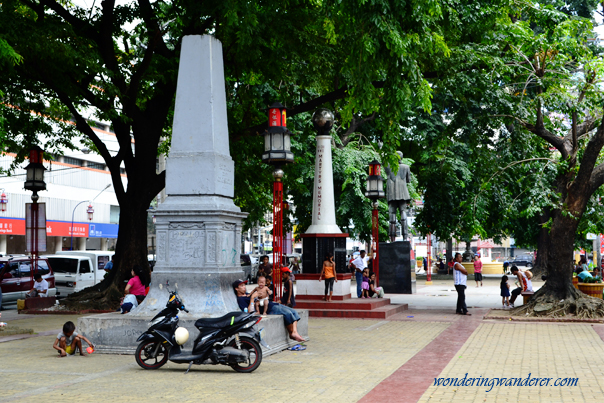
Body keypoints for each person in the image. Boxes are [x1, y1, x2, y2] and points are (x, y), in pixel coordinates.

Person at [233, 279, 304, 342]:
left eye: (244, 285)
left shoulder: (248, 294)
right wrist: (252, 298)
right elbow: (249, 312)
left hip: (271, 304)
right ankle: (291, 333)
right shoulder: (241, 299)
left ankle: (294, 332)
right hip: (269, 309)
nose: (244, 287)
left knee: (293, 311)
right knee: (288, 313)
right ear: (236, 289)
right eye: (241, 286)